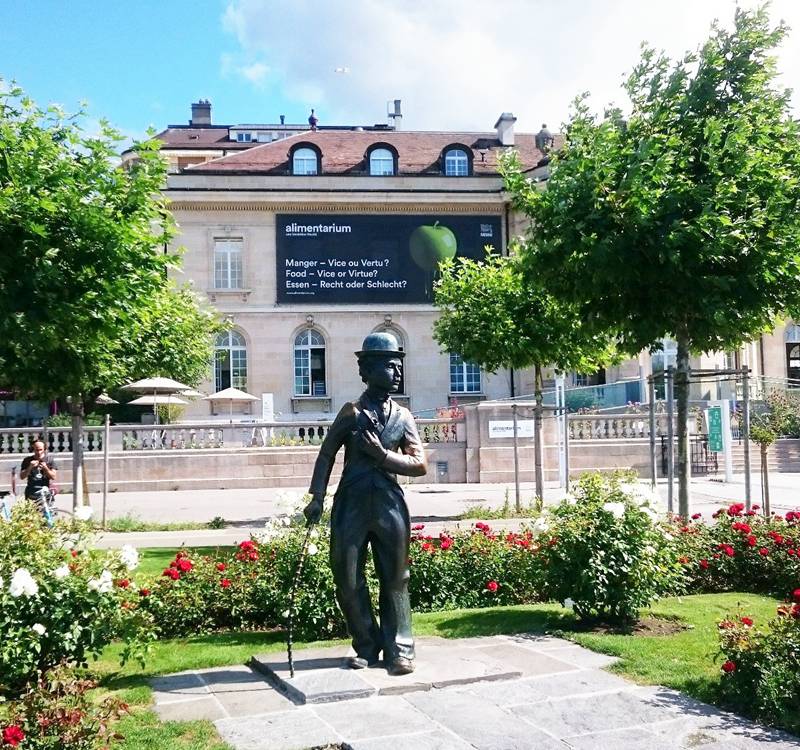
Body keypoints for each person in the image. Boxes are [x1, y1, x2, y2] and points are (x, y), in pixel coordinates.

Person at [304, 332, 427, 676]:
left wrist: (382, 455)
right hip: (351, 504)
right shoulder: (351, 413)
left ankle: (399, 650)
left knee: (396, 578)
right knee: (346, 576)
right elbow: (326, 454)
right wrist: (317, 498)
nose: (398, 372)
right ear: (368, 370)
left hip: (389, 505)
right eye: (390, 366)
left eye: (398, 365)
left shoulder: (403, 417)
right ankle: (366, 645)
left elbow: (419, 464)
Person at [20, 439, 57, 510]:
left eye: (40, 450)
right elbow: (22, 476)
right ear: (33, 449)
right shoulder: (27, 460)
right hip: (31, 492)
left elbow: (53, 477)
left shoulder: (49, 460)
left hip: (45, 492)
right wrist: (30, 467)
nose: (39, 452)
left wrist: (45, 468)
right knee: (31, 514)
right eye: (36, 450)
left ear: (44, 449)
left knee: (47, 513)